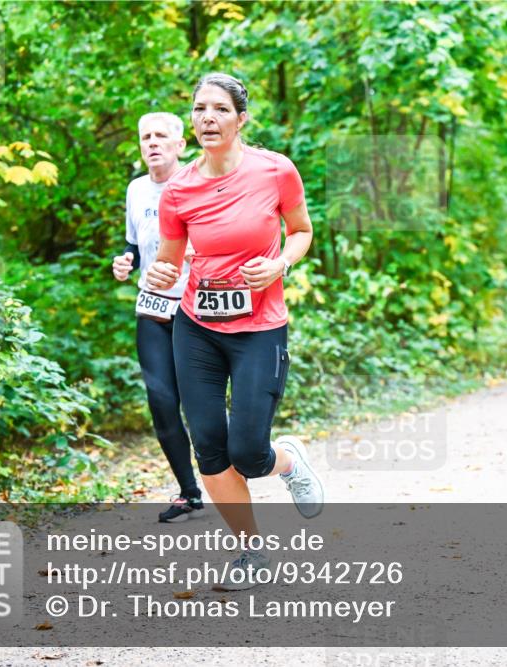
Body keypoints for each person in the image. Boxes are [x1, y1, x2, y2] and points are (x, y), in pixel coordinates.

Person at [146, 73, 323, 590]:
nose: (207, 117)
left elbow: (303, 231)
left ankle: (287, 463)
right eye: (200, 108)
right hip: (196, 326)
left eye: (220, 109)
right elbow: (169, 261)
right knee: (210, 448)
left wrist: (280, 266)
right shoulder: (178, 190)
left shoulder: (275, 171)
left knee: (248, 451)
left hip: (260, 328)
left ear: (241, 119)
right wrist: (160, 273)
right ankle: (250, 552)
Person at [112, 112, 203, 523]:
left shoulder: (198, 184)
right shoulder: (135, 190)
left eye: (161, 136)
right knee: (162, 401)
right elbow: (132, 245)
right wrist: (124, 263)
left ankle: (226, 474)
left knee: (200, 403)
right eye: (145, 136)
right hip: (151, 306)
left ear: (180, 144)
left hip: (195, 307)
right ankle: (189, 492)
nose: (152, 142)